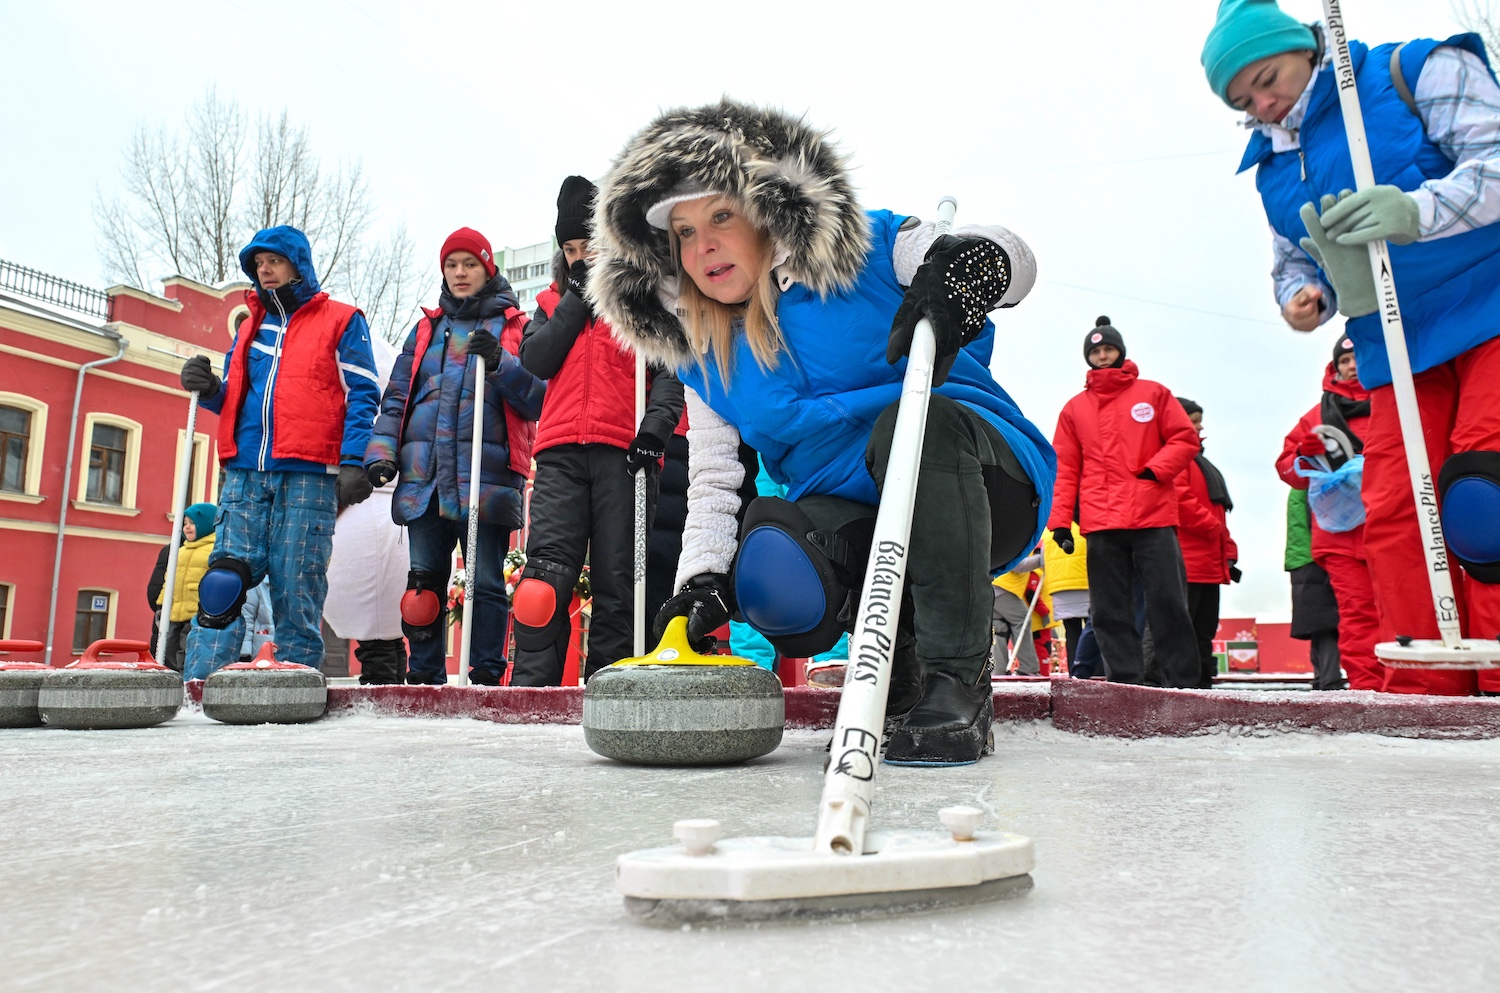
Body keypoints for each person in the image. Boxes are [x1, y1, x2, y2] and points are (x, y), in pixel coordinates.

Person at [589, 99, 1054, 766]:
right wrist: (701, 580)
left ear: (765, 211)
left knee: (908, 429)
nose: (703, 245)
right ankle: (897, 668)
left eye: (720, 217)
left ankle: (957, 680)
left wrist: (968, 269)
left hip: (977, 479)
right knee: (774, 548)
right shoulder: (703, 354)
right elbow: (716, 478)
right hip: (861, 516)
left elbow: (1017, 259)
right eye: (684, 232)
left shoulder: (866, 248)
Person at [1202, 0, 1500, 695]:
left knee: (1483, 488)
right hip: (1395, 344)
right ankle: (1426, 691)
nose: (1264, 105)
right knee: (1395, 511)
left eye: (1268, 80)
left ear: (1306, 47)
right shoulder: (1275, 166)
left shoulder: (1413, 71)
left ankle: (1495, 674)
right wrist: (1303, 296)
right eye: (1243, 102)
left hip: (1488, 307)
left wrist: (1417, 210)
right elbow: (1292, 258)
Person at [178, 226, 380, 681]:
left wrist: (354, 461)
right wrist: (209, 390)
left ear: (298, 264)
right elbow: (237, 398)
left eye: (274, 261)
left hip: (308, 473)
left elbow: (363, 393)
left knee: (296, 585)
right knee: (223, 581)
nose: (265, 270)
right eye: (258, 264)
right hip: (246, 470)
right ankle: (202, 683)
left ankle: (294, 684)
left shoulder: (342, 320)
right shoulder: (251, 324)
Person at [509, 177, 684, 685]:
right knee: (542, 583)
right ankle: (532, 692)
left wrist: (654, 432)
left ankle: (608, 688)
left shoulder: (643, 299)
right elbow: (537, 360)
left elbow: (671, 374)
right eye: (569, 249)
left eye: (587, 244)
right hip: (559, 452)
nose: (579, 256)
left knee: (619, 583)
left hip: (623, 455)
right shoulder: (548, 305)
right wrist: (578, 297)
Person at [364, 228, 545, 685]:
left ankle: (485, 676)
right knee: (422, 586)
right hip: (425, 476)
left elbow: (539, 399)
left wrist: (501, 363)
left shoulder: (516, 327)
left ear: (487, 268)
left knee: (486, 583)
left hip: (485, 478)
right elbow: (397, 397)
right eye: (452, 264)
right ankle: (424, 677)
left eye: (470, 264)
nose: (460, 273)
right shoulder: (426, 330)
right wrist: (381, 453)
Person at [1049, 317, 1202, 688]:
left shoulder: (1153, 394)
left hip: (1153, 515)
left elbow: (1184, 438)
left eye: (1108, 349)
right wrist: (1060, 522)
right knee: (1108, 608)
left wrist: (1155, 471)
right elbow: (1065, 467)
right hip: (1101, 521)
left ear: (1120, 351)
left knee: (1168, 602)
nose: (1103, 356)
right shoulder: (1074, 409)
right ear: (1088, 357)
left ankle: (1182, 681)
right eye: (1096, 351)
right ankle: (1124, 683)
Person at [1276, 336, 1378, 689]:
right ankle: (1369, 691)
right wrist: (1303, 455)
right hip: (1340, 537)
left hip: (1394, 529)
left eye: (1357, 357)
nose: (1352, 366)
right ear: (1335, 368)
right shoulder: (1315, 417)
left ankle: (1407, 689)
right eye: (1344, 361)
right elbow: (1287, 470)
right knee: (1357, 616)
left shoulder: (1399, 402)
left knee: (1402, 612)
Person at [1174, 397, 1239, 689]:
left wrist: (1228, 547)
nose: (1201, 427)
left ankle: (1201, 688)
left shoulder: (1200, 462)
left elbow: (1217, 513)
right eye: (1194, 421)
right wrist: (1214, 528)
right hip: (1187, 560)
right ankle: (1184, 689)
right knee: (1183, 632)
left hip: (1209, 561)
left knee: (1203, 632)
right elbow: (1179, 498)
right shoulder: (1180, 459)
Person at [1285, 488, 1344, 690]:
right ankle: (1330, 682)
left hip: (1300, 560)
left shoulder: (1298, 488)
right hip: (1316, 558)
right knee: (1328, 625)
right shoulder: (1314, 484)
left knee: (1318, 627)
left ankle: (1321, 679)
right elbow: (1321, 521)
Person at [152, 502, 217, 672]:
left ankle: (186, 682)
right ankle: (176, 680)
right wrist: (161, 604)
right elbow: (169, 580)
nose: (187, 527)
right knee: (168, 651)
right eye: (185, 523)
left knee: (187, 652)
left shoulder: (214, 550)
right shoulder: (180, 551)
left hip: (195, 613)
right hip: (174, 613)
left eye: (192, 523)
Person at [1041, 521, 1089, 672]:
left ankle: (1075, 671)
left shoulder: (1049, 532)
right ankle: (1096, 670)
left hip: (1059, 588)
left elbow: (1042, 561)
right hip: (1086, 584)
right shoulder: (1085, 525)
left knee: (1071, 631)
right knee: (1093, 629)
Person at [992, 551, 1042, 676]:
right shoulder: (1021, 541)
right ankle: (1028, 668)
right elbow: (1019, 565)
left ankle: (998, 670)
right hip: (1004, 587)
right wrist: (1042, 559)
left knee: (999, 627)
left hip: (994, 586)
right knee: (1022, 620)